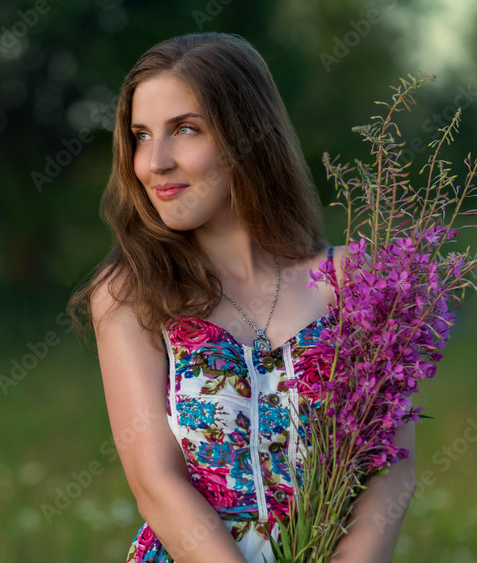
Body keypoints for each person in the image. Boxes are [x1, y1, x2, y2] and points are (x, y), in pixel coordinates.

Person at [66, 32, 416, 563]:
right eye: (140, 135)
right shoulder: (131, 294)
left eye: (185, 129)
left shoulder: (359, 281)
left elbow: (391, 469)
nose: (154, 161)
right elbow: (156, 483)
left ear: (246, 135)